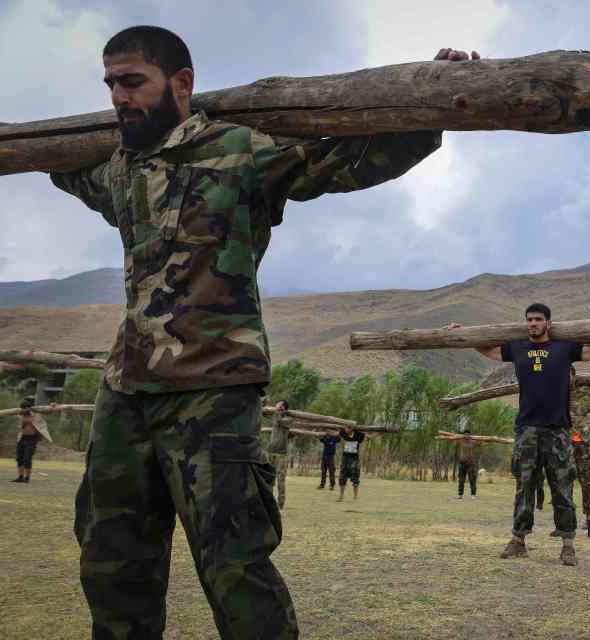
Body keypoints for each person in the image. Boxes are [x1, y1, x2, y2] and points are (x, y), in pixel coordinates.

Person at [49, 24, 478, 639]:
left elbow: (347, 161)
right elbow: (49, 161)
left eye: (132, 82)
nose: (119, 97)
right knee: (111, 565)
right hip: (126, 393)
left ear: (182, 83)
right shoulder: (117, 168)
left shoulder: (242, 151)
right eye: (111, 84)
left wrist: (436, 102)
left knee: (236, 569)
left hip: (214, 391)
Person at [447, 304, 590, 566]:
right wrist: (465, 335)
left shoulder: (564, 348)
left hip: (558, 430)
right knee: (524, 486)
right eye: (529, 319)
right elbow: (488, 349)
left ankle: (568, 545)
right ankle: (518, 540)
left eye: (538, 319)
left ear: (548, 323)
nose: (533, 323)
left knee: (562, 486)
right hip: (526, 428)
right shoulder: (517, 348)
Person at [11, 400, 49, 483]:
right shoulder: (20, 415)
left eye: (25, 408)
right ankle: (20, 477)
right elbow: (15, 421)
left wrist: (53, 406)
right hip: (21, 438)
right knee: (19, 458)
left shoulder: (36, 415)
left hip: (32, 439)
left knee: (27, 458)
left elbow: (48, 412)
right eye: (22, 408)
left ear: (29, 408)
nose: (24, 410)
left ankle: (27, 478)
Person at [266, 400, 291, 509]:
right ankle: (268, 500)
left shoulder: (289, 419)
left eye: (278, 404)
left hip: (281, 453)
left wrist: (277, 411)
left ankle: (280, 503)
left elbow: (281, 421)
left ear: (283, 407)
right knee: (268, 477)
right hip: (270, 451)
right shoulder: (275, 416)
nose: (276, 406)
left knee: (280, 479)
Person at [337, 424, 369, 502]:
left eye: (347, 428)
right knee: (342, 477)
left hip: (354, 459)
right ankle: (341, 496)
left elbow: (368, 437)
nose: (345, 430)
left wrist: (382, 432)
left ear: (351, 429)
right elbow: (335, 433)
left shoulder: (359, 435)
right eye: (345, 428)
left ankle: (355, 497)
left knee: (355, 477)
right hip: (345, 458)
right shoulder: (343, 433)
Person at [457, 430, 479, 499]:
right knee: (461, 480)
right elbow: (452, 439)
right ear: (463, 435)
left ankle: (473, 494)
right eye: (465, 435)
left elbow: (481, 442)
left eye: (468, 435)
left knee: (472, 479)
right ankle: (460, 494)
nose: (466, 436)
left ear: (470, 435)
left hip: (470, 463)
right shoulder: (460, 441)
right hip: (462, 463)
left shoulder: (473, 441)